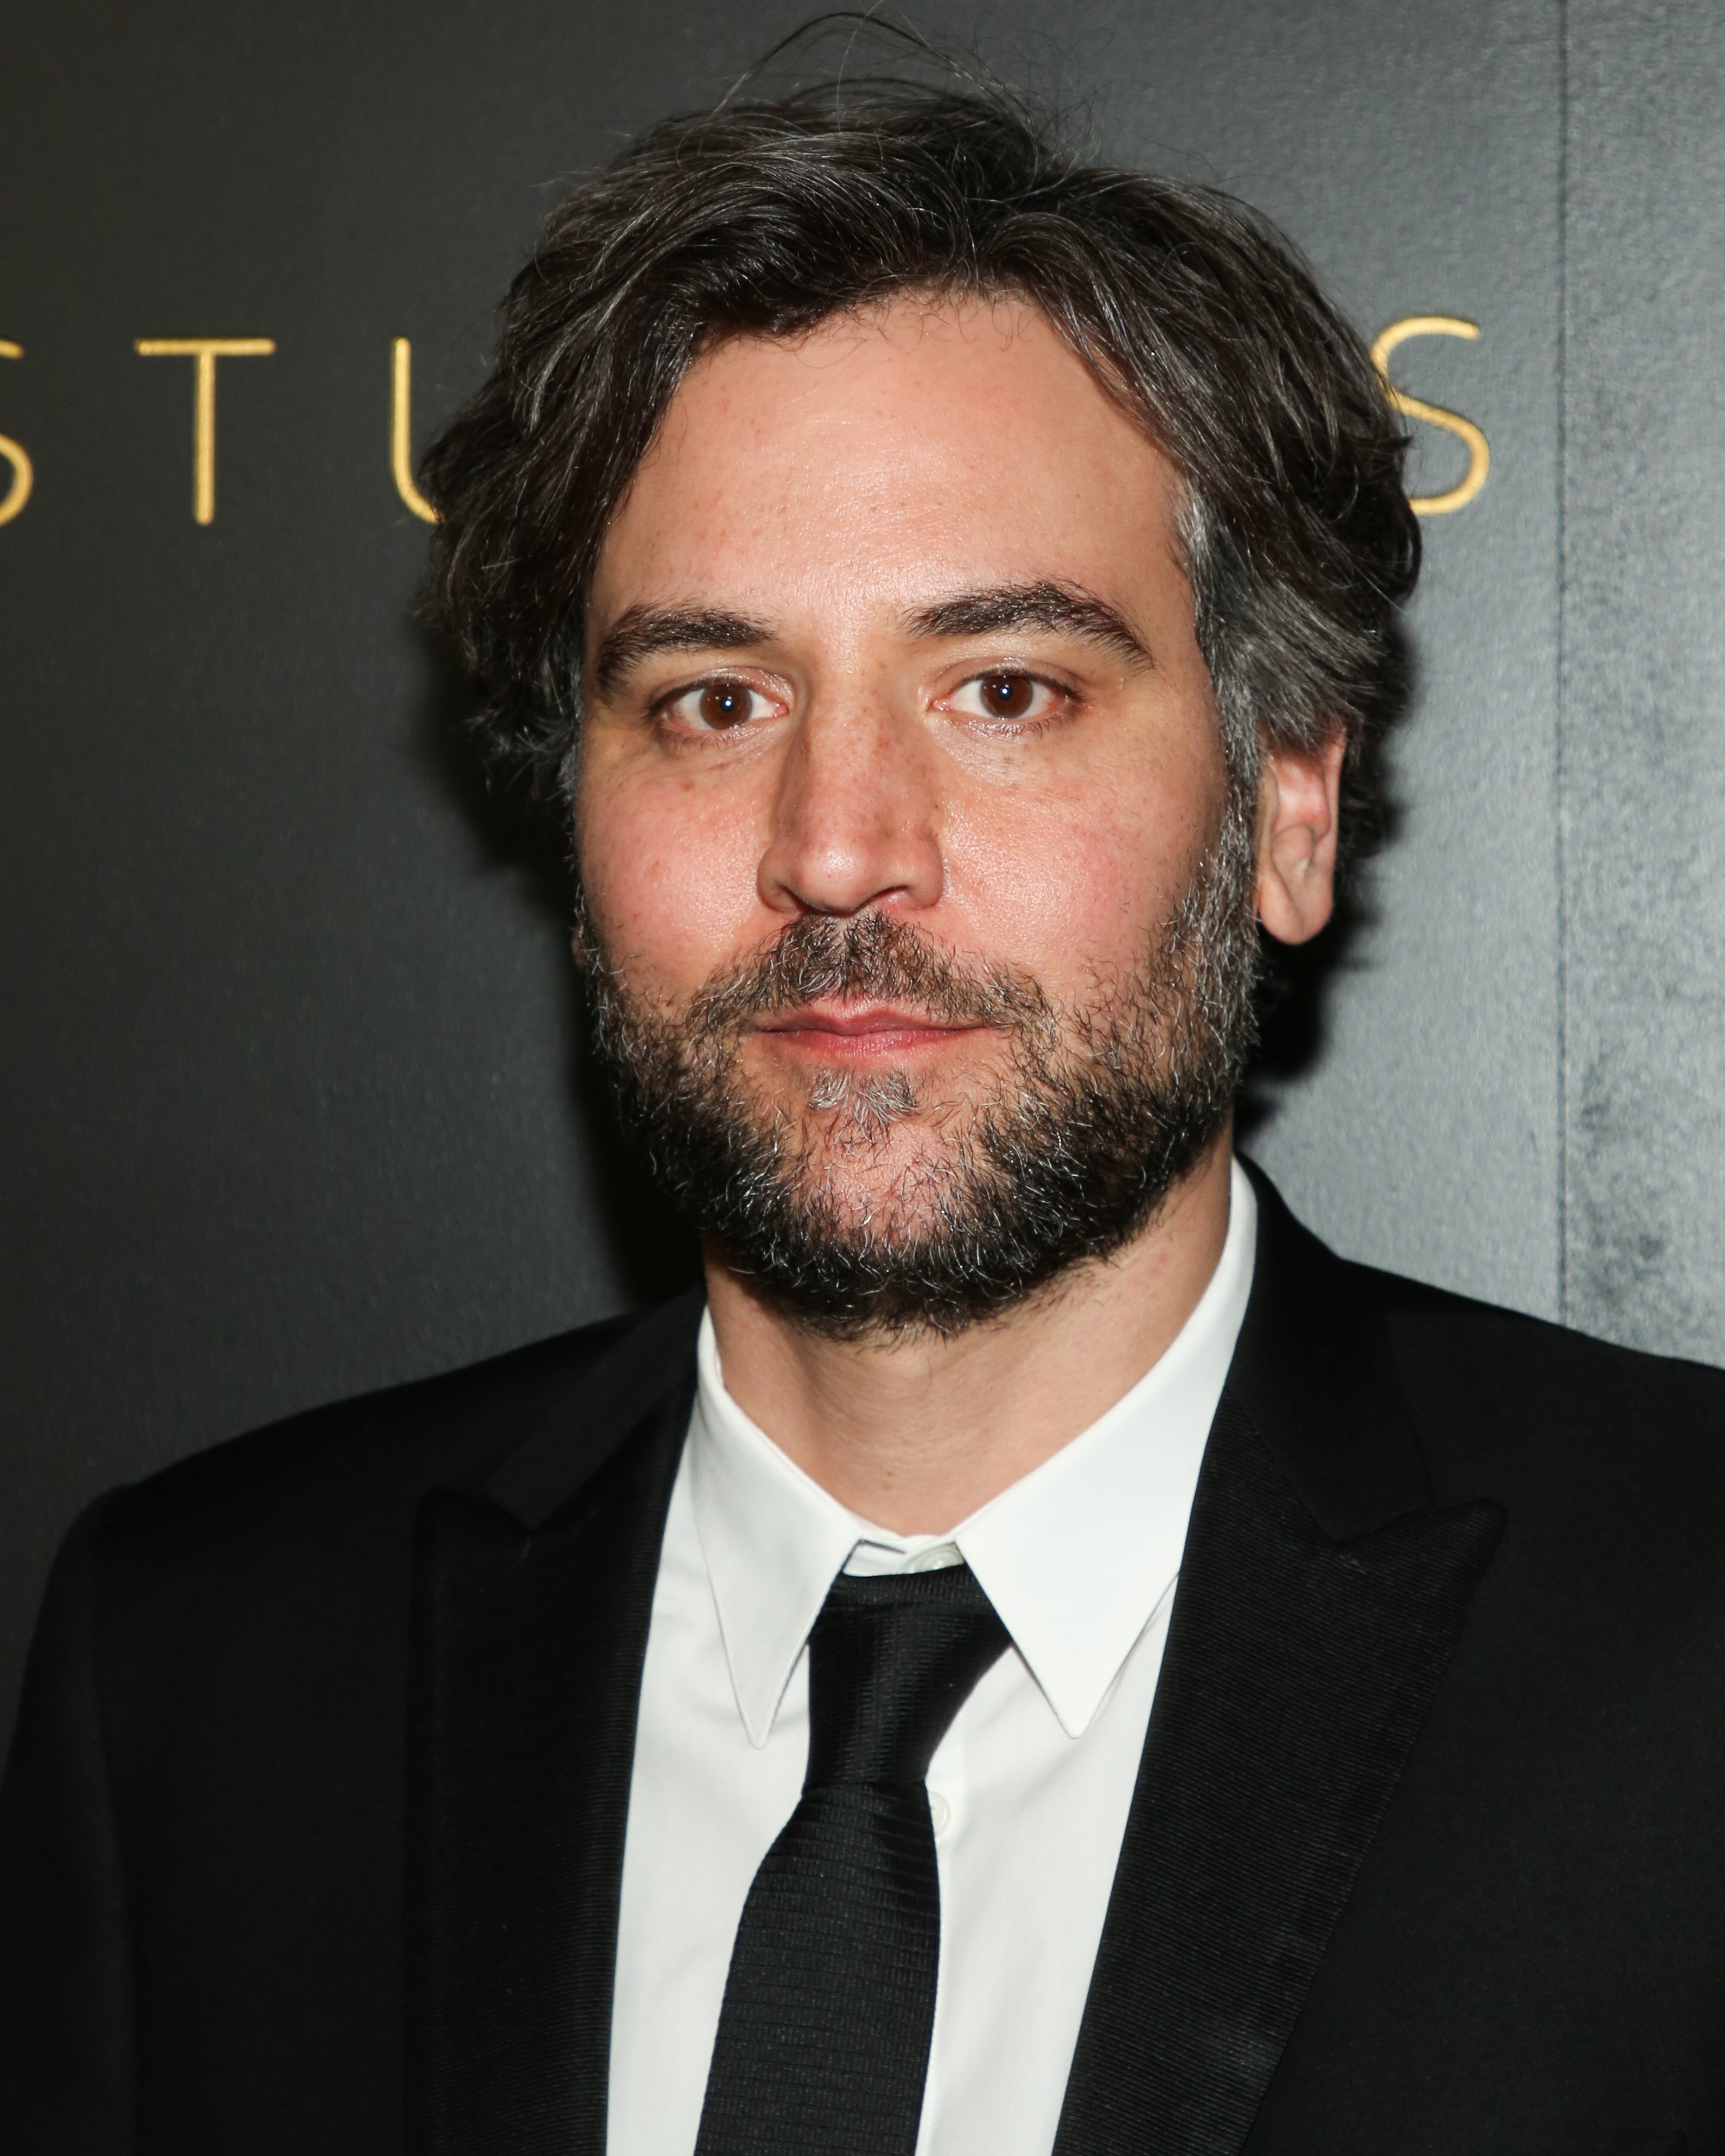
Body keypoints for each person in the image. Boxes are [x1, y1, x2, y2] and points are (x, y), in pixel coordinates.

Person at [4, 74, 1724, 2156]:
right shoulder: (204, 1675)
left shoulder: (1681, 1654)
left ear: (1288, 802)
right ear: (575, 818)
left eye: (1005, 688)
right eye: (714, 700)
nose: (835, 849)